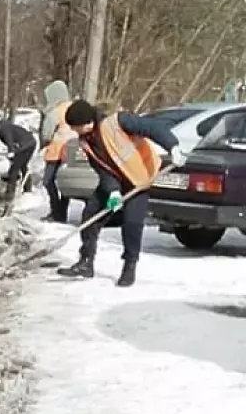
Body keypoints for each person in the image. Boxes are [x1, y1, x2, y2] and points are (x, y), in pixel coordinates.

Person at [56, 100, 186, 287]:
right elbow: (102, 170)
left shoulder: (118, 122)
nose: (75, 132)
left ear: (87, 122)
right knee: (90, 215)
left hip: (139, 178)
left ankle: (129, 267)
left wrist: (172, 146)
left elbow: (153, 128)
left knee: (132, 223)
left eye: (77, 127)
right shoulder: (86, 142)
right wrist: (113, 192)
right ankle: (86, 262)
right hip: (115, 181)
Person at [38, 80, 76, 223]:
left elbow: (46, 133)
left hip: (56, 151)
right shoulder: (73, 107)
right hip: (73, 150)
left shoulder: (56, 111)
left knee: (48, 181)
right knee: (66, 183)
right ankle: (63, 212)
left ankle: (56, 212)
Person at [0, 119, 37, 201]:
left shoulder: (2, 128)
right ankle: (27, 189)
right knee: (22, 165)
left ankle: (10, 194)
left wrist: (11, 151)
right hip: (30, 143)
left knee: (14, 169)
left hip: (26, 145)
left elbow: (9, 139)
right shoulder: (5, 127)